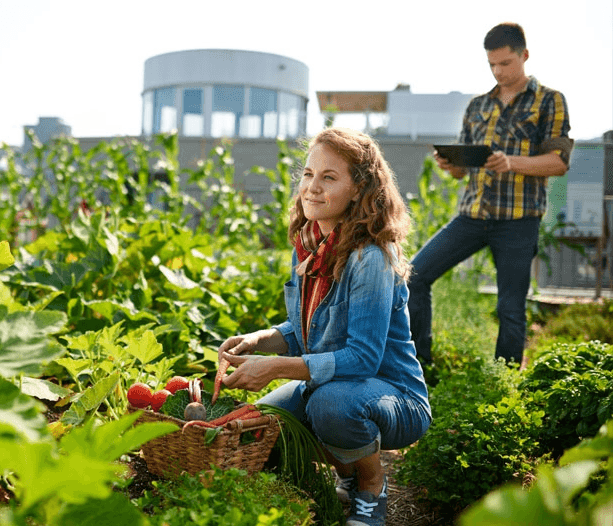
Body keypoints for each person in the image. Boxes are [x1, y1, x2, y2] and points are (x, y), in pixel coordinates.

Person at [217, 128, 432, 526]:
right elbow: (306, 330)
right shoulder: (311, 245)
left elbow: (363, 359)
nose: (312, 187)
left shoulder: (370, 258)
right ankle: (347, 474)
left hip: (394, 397)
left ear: (358, 189)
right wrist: (258, 340)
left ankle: (372, 487)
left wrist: (276, 368)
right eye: (308, 174)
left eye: (329, 177)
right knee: (263, 427)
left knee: (329, 406)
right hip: (331, 386)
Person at [408, 22, 573, 366]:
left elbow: (558, 162)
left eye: (505, 63)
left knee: (510, 308)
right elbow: (463, 171)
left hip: (518, 221)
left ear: (524, 55)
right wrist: (450, 164)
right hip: (472, 216)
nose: (498, 71)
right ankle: (420, 366)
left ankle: (506, 380)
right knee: (413, 276)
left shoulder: (550, 101)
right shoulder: (477, 106)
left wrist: (511, 162)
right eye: (492, 65)